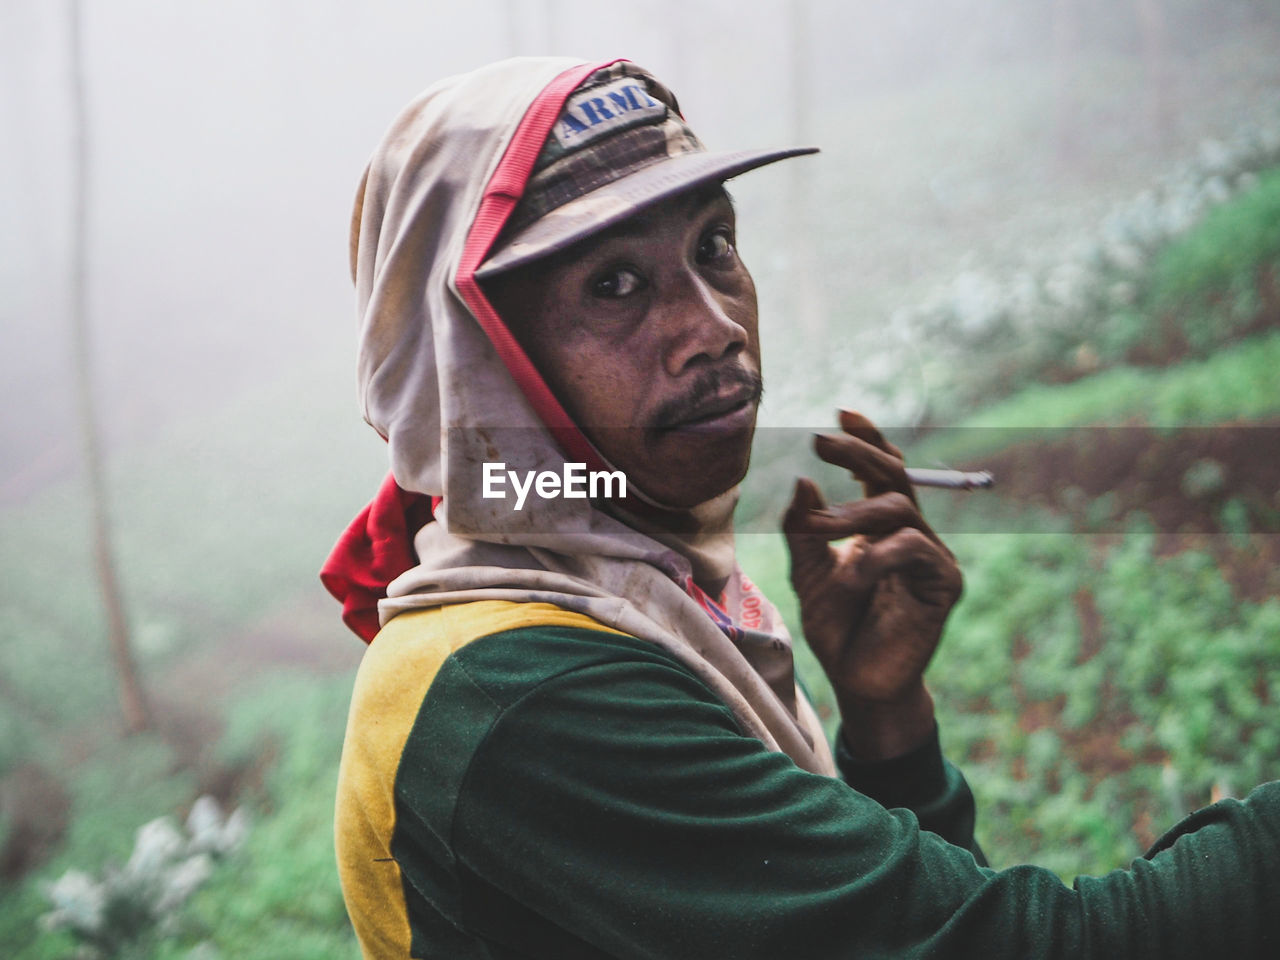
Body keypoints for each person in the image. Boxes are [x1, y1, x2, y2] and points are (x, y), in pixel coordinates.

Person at [323, 57, 1279, 959]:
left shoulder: (626, 581)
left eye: (715, 246)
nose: (715, 326)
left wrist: (886, 728)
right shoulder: (527, 694)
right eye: (614, 284)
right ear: (479, 366)